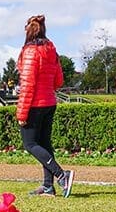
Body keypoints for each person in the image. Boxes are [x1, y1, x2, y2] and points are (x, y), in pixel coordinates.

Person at [16, 14, 74, 198]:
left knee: (30, 144)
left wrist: (22, 114)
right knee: (45, 144)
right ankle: (48, 187)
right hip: (50, 102)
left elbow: (27, 85)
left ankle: (61, 175)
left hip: (34, 104)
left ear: (29, 31)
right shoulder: (52, 51)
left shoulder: (30, 51)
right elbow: (59, 80)